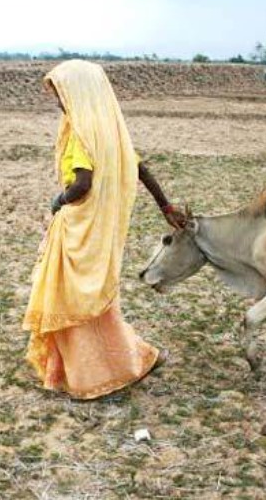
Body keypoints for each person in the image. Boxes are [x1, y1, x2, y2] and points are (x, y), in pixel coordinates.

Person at [23, 60, 186, 399]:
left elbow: (82, 183)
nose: (57, 100)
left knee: (72, 299)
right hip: (98, 234)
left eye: (61, 93)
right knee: (95, 298)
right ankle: (122, 362)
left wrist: (59, 200)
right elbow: (139, 169)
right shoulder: (110, 129)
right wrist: (165, 206)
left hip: (78, 228)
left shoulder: (83, 132)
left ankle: (92, 375)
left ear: (79, 93)